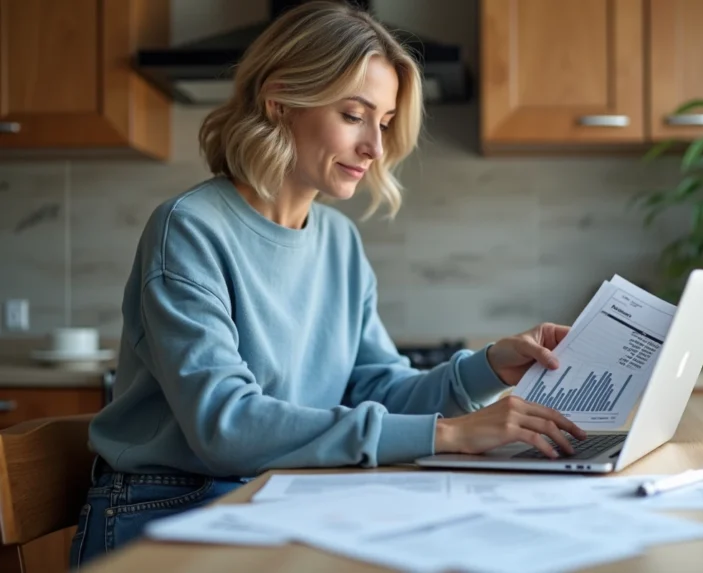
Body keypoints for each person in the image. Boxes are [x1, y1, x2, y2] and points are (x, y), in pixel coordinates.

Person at [68, 1, 586, 568]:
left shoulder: (338, 242)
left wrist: (488, 367)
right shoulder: (189, 229)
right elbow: (226, 424)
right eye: (353, 115)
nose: (376, 148)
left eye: (384, 122)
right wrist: (449, 435)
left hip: (280, 493)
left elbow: (378, 389)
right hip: (168, 505)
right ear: (281, 101)